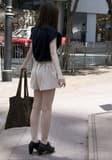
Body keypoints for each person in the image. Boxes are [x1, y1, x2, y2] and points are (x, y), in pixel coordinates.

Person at [20, 2, 66, 155]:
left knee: (36, 107)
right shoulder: (52, 32)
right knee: (46, 109)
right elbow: (53, 54)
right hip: (47, 70)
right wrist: (60, 75)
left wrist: (24, 64)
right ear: (53, 16)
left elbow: (31, 51)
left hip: (36, 69)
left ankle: (33, 140)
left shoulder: (35, 31)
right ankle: (44, 143)